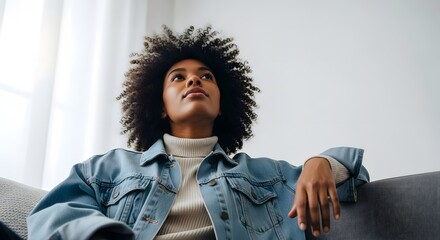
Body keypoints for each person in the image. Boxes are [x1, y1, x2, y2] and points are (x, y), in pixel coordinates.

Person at [27, 26, 369, 240]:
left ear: (222, 105)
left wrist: (320, 161)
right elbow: (51, 217)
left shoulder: (263, 175)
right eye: (178, 77)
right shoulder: (108, 169)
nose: (194, 80)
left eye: (206, 76)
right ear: (160, 106)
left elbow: (352, 177)